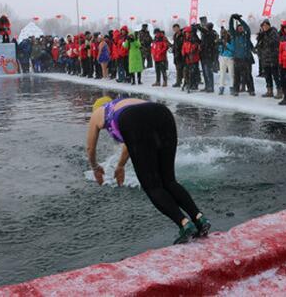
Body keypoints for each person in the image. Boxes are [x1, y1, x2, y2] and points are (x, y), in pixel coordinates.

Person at [87, 97, 211, 244]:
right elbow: (131, 142)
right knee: (169, 180)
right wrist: (120, 166)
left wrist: (95, 167)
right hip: (162, 113)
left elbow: (90, 148)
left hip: (134, 120)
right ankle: (199, 219)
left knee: (152, 186)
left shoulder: (99, 112)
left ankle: (184, 224)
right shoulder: (124, 104)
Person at [229, 14, 255, 96]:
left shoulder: (246, 36)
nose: (240, 28)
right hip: (237, 59)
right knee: (236, 76)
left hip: (246, 58)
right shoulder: (235, 35)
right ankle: (236, 90)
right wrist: (231, 18)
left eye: (241, 27)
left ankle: (251, 90)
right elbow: (230, 28)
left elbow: (247, 28)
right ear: (237, 29)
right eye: (239, 27)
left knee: (248, 76)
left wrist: (240, 20)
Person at [256, 20, 282, 98]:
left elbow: (275, 42)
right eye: (263, 26)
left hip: (273, 58)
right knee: (267, 76)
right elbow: (259, 45)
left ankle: (279, 91)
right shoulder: (263, 34)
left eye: (266, 25)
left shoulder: (273, 32)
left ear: (269, 25)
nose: (264, 27)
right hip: (265, 58)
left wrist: (265, 37)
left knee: (276, 76)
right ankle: (269, 91)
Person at [199, 22, 218, 93]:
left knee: (209, 72)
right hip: (203, 55)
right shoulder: (205, 34)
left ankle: (211, 87)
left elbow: (205, 32)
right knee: (204, 72)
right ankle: (207, 86)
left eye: (205, 26)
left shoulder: (211, 33)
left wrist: (198, 27)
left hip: (209, 56)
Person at [217, 27, 235, 95]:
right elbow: (219, 49)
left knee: (231, 74)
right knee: (222, 73)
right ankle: (221, 87)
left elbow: (233, 48)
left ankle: (232, 87)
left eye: (224, 33)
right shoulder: (221, 40)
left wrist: (226, 44)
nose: (223, 34)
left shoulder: (231, 40)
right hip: (222, 57)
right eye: (222, 33)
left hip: (230, 58)